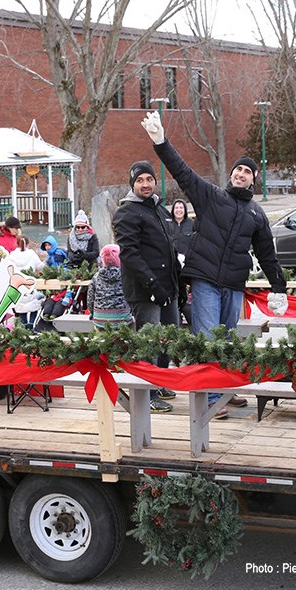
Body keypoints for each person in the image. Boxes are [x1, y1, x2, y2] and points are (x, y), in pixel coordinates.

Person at [141, 111, 289, 419]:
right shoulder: (211, 196)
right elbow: (182, 172)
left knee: (226, 339)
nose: (241, 174)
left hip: (234, 284)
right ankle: (208, 398)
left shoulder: (257, 214)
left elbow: (266, 252)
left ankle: (220, 390)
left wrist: (278, 286)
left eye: (248, 171)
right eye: (238, 170)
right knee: (206, 337)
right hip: (206, 280)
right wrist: (160, 141)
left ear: (253, 178)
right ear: (231, 174)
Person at [113, 159, 180, 413]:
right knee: (149, 341)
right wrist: (152, 285)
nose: (145, 184)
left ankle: (160, 381)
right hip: (145, 290)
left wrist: (177, 280)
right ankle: (147, 391)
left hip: (168, 286)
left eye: (149, 179)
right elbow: (129, 254)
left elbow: (168, 248)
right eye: (140, 180)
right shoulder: (127, 212)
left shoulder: (158, 209)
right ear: (133, 184)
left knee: (169, 336)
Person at [87, 244, 135, 329]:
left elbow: (90, 299)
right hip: (123, 319)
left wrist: (92, 313)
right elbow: (132, 297)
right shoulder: (126, 276)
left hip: (100, 319)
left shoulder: (96, 277)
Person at [171, 198, 195, 328]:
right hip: (173, 266)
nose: (179, 210)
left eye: (181, 207)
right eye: (176, 208)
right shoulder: (168, 225)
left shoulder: (191, 224)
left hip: (188, 265)